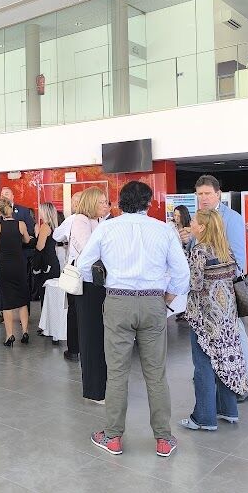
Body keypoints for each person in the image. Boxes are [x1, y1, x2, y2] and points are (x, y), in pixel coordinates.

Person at [78, 181, 189, 459]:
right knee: (156, 373)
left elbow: (83, 266)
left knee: (117, 373)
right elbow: (181, 272)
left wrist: (105, 286)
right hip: (153, 302)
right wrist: (168, 299)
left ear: (118, 203)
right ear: (148, 203)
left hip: (117, 301)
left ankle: (113, 437)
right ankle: (163, 439)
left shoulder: (106, 227)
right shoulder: (164, 230)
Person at [181, 209, 247, 431]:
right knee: (225, 361)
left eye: (194, 221)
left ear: (202, 227)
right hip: (227, 316)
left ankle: (203, 418)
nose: (190, 223)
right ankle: (228, 410)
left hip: (205, 317)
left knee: (203, 366)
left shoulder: (199, 251)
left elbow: (194, 284)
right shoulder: (225, 249)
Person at [192, 175, 248, 403]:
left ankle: (245, 383)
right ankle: (226, 384)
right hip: (207, 297)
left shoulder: (232, 218)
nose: (203, 198)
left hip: (226, 291)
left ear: (218, 193)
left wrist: (230, 289)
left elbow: (239, 259)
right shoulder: (199, 218)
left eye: (207, 193)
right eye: (200, 194)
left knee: (237, 336)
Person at [70, 187, 108, 402]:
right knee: (91, 336)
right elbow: (89, 252)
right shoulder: (81, 222)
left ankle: (100, 385)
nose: (106, 205)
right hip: (88, 284)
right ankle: (94, 389)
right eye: (102, 201)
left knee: (98, 335)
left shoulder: (98, 222)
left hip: (98, 283)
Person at [0, 197, 32, 346]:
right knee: (22, 299)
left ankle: (10, 336)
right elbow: (27, 241)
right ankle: (25, 332)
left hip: (4, 265)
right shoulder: (21, 224)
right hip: (19, 264)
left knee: (7, 300)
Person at [52, 191, 83, 346]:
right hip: (93, 271)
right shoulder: (98, 220)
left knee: (73, 308)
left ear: (76, 204)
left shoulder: (71, 220)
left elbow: (56, 236)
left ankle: (73, 348)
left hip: (75, 270)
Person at [32, 202, 61, 302]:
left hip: (46, 264)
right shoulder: (53, 226)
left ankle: (47, 317)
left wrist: (35, 236)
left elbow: (40, 247)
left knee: (45, 295)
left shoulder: (45, 227)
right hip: (52, 262)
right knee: (52, 296)